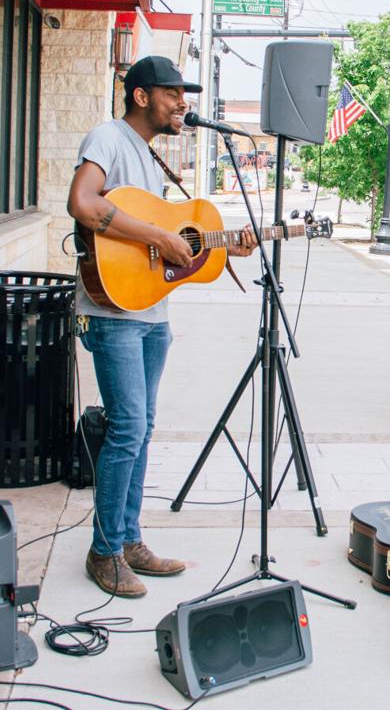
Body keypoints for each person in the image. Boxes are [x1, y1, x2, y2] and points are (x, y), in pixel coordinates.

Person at [67, 55, 258, 597]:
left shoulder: (151, 161)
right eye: (174, 93)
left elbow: (171, 252)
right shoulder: (107, 136)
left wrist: (224, 249)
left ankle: (128, 540)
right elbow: (82, 202)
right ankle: (103, 552)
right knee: (127, 428)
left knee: (141, 428)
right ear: (142, 96)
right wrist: (156, 235)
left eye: (185, 95)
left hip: (151, 314)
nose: (184, 103)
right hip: (112, 314)